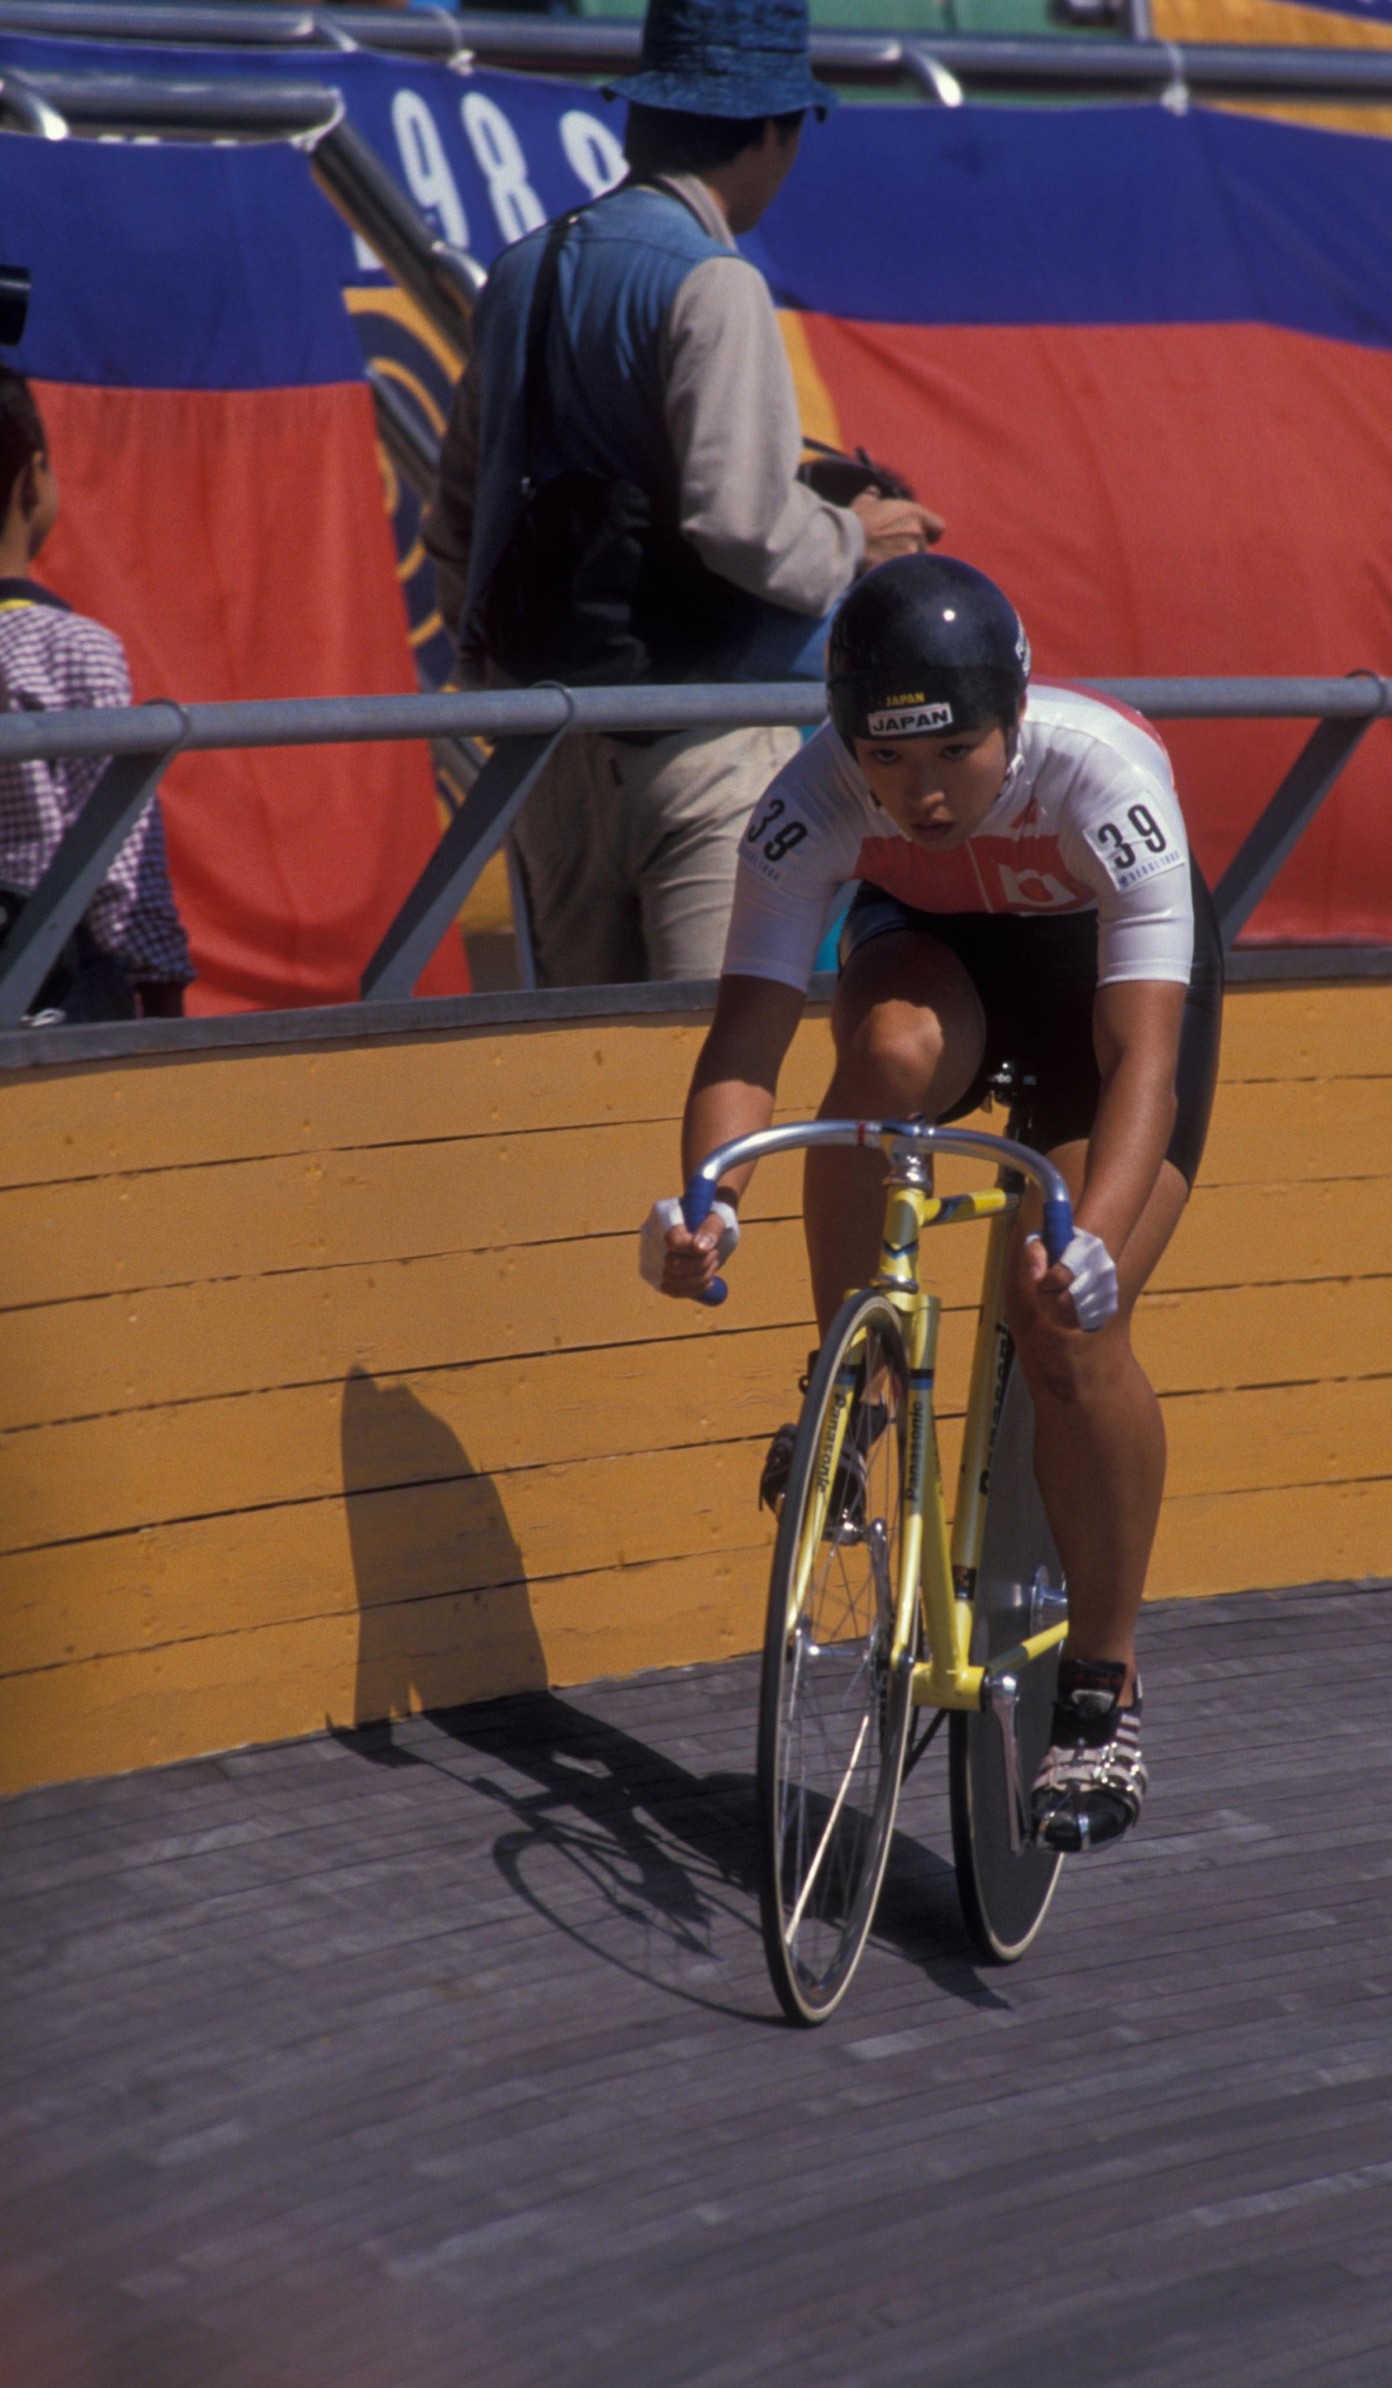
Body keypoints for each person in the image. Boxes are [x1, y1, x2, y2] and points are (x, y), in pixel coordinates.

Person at [639, 553, 1224, 1853]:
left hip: (1102, 1025)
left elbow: (1143, 1068)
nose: (919, 792)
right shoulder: (806, 805)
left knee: (1064, 1320)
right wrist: (707, 1202)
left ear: (1012, 714)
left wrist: (1091, 1249)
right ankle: (852, 1379)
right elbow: (745, 1047)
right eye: (886, 761)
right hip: (940, 978)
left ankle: (1105, 1685)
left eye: (954, 753)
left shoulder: (1105, 779)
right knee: (883, 1061)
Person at [423, 0, 942, 989]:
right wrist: (855, 536)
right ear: (770, 131)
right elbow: (738, 521)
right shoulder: (714, 280)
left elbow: (457, 518)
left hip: (543, 739)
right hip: (701, 736)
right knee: (717, 1052)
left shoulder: (521, 268)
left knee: (593, 1075)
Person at [0, 367, 192, 1021]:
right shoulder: (73, 649)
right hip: (50, 984)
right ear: (33, 481)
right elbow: (120, 858)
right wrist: (160, 980)